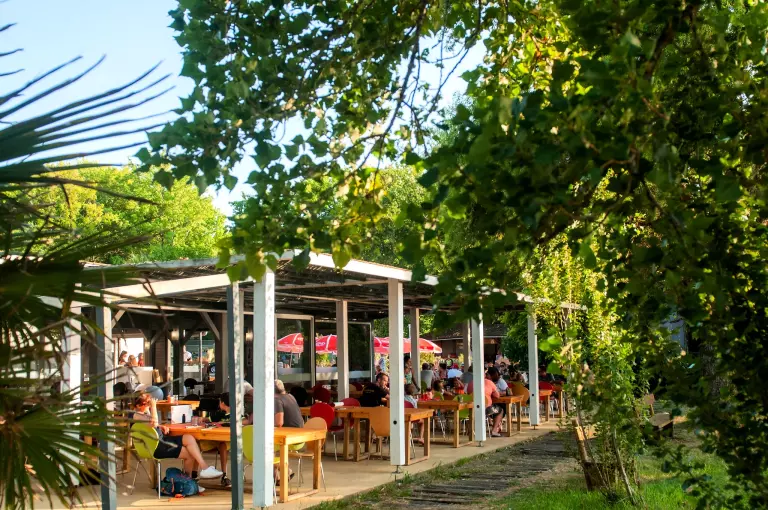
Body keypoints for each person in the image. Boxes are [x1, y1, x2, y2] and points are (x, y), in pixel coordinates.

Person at [132, 393, 223, 479]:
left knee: (189, 438)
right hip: (156, 447)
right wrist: (153, 407)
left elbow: (152, 424)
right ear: (138, 406)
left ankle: (204, 468)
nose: (149, 405)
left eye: (149, 403)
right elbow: (154, 423)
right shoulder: (137, 416)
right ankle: (188, 481)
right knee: (189, 454)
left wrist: (160, 426)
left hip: (161, 440)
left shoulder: (143, 414)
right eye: (146, 403)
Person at [198, 392, 233, 487]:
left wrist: (225, 423)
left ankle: (224, 475)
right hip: (215, 438)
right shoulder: (219, 414)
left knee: (223, 445)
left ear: (222, 403)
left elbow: (244, 421)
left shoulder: (236, 414)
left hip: (226, 440)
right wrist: (203, 419)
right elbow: (208, 419)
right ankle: (194, 475)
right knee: (197, 444)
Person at [274, 380, 302, 484]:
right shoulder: (291, 397)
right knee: (269, 448)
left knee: (265, 449)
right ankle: (277, 478)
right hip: (300, 435)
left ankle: (285, 472)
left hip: (289, 437)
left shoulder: (277, 400)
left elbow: (279, 422)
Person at [467, 367, 503, 437]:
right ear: (484, 375)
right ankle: (494, 431)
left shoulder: (471, 383)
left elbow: (469, 394)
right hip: (486, 409)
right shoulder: (489, 382)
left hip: (472, 408)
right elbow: (497, 396)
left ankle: (470, 430)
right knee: (500, 410)